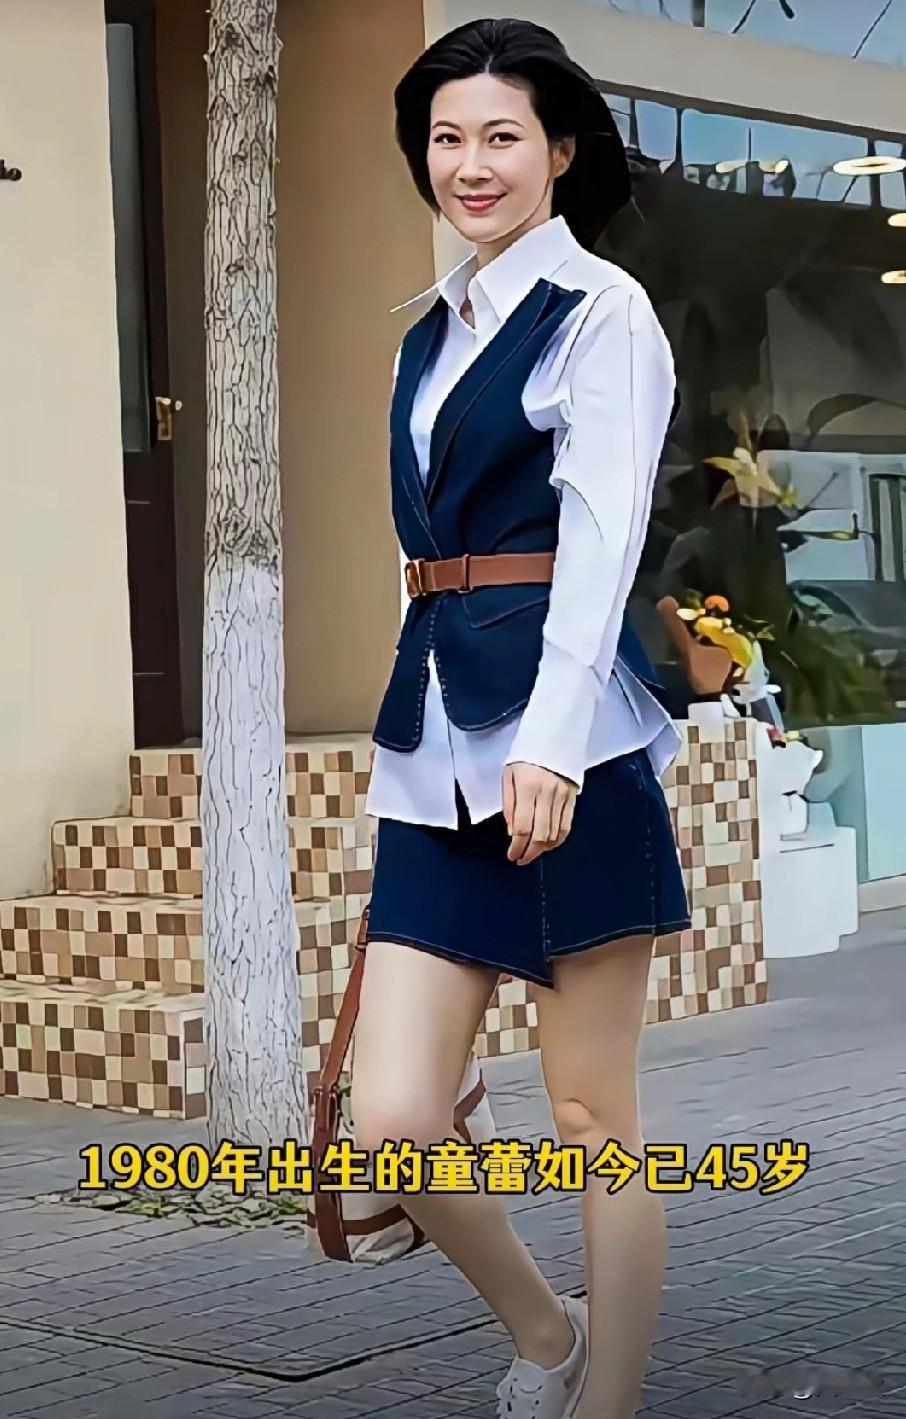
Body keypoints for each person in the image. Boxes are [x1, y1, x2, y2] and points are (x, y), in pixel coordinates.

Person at [351, 18, 691, 1419]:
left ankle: (608, 1405)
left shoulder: (603, 312)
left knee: (593, 1117)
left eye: (501, 135)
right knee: (392, 1123)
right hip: (434, 752)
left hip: (567, 757)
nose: (470, 164)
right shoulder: (427, 333)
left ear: (558, 151)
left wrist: (550, 737)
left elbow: (601, 538)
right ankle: (546, 1337)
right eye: (446, 138)